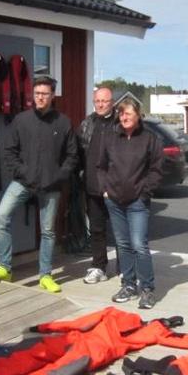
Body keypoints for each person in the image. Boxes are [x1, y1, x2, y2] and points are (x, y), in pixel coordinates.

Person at [0, 75, 78, 293]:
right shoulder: (21, 120)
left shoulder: (63, 122)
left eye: (45, 94)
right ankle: (4, 266)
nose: (40, 97)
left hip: (51, 185)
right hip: (23, 182)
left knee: (48, 231)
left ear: (52, 96)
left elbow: (72, 156)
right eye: (37, 93)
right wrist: (23, 172)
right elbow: (9, 152)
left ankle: (45, 276)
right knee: (1, 216)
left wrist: (59, 176)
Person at [96, 98, 164, 309]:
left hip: (137, 201)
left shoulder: (149, 138)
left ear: (138, 116)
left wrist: (144, 193)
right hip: (114, 200)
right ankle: (128, 285)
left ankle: (147, 289)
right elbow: (100, 166)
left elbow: (156, 169)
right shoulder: (110, 137)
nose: (124, 117)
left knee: (139, 245)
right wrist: (105, 190)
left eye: (129, 114)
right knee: (123, 245)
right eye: (121, 114)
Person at [77, 87, 117, 284]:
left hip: (116, 187)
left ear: (112, 102)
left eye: (105, 101)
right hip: (92, 185)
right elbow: (79, 152)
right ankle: (99, 266)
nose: (101, 105)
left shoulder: (120, 123)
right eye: (98, 101)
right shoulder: (87, 123)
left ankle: (126, 268)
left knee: (121, 230)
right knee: (97, 229)